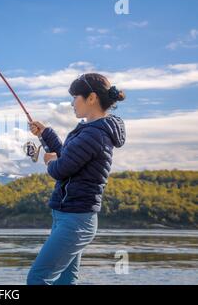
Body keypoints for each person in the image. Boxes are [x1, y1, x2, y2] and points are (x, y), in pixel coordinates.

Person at [26, 73, 126, 285]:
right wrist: (46, 134)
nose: (72, 103)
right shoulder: (91, 131)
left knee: (37, 278)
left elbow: (61, 169)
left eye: (75, 97)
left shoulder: (95, 134)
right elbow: (71, 157)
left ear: (91, 98)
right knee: (65, 281)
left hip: (76, 220)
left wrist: (50, 161)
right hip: (68, 216)